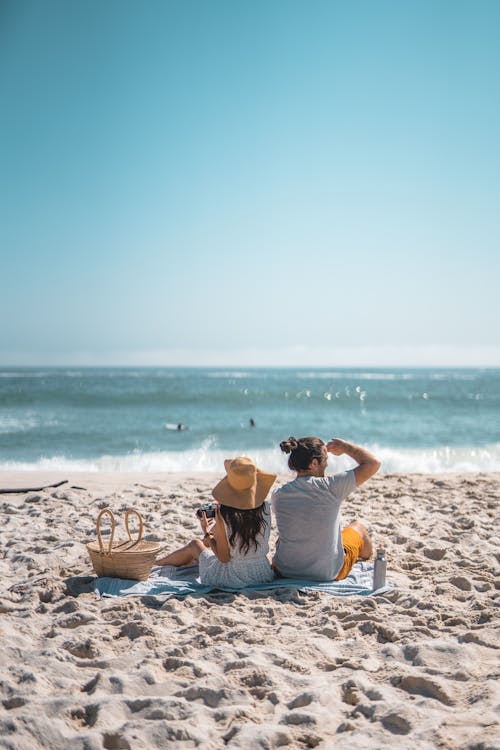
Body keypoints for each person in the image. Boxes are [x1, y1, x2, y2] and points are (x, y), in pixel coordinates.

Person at [271, 436, 381, 581]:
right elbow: (373, 463)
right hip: (326, 573)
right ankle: (366, 555)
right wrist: (345, 447)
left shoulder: (278, 494)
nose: (327, 465)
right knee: (358, 527)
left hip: (285, 570)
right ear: (314, 463)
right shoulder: (330, 487)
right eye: (325, 460)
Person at [156, 457, 276, 587]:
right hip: (262, 574)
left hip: (233, 578)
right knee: (205, 545)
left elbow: (224, 558)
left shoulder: (224, 514)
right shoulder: (265, 507)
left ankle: (157, 564)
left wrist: (207, 533)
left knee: (195, 544)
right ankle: (159, 562)